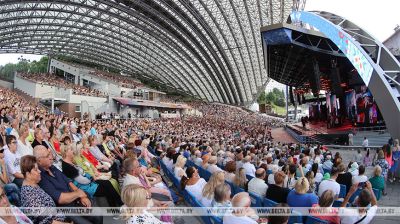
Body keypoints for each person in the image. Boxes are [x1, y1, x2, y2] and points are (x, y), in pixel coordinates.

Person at [34, 145, 103, 224]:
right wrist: (78, 194)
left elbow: (68, 182)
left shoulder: (52, 167)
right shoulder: (40, 177)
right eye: (47, 156)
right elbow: (61, 199)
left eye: (49, 154)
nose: (51, 157)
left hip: (75, 199)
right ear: (39, 161)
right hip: (65, 208)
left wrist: (82, 196)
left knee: (98, 215)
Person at [20, 155, 69, 224]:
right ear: (28, 174)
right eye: (36, 169)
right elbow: (47, 221)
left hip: (60, 216)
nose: (39, 171)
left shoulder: (33, 184)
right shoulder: (29, 195)